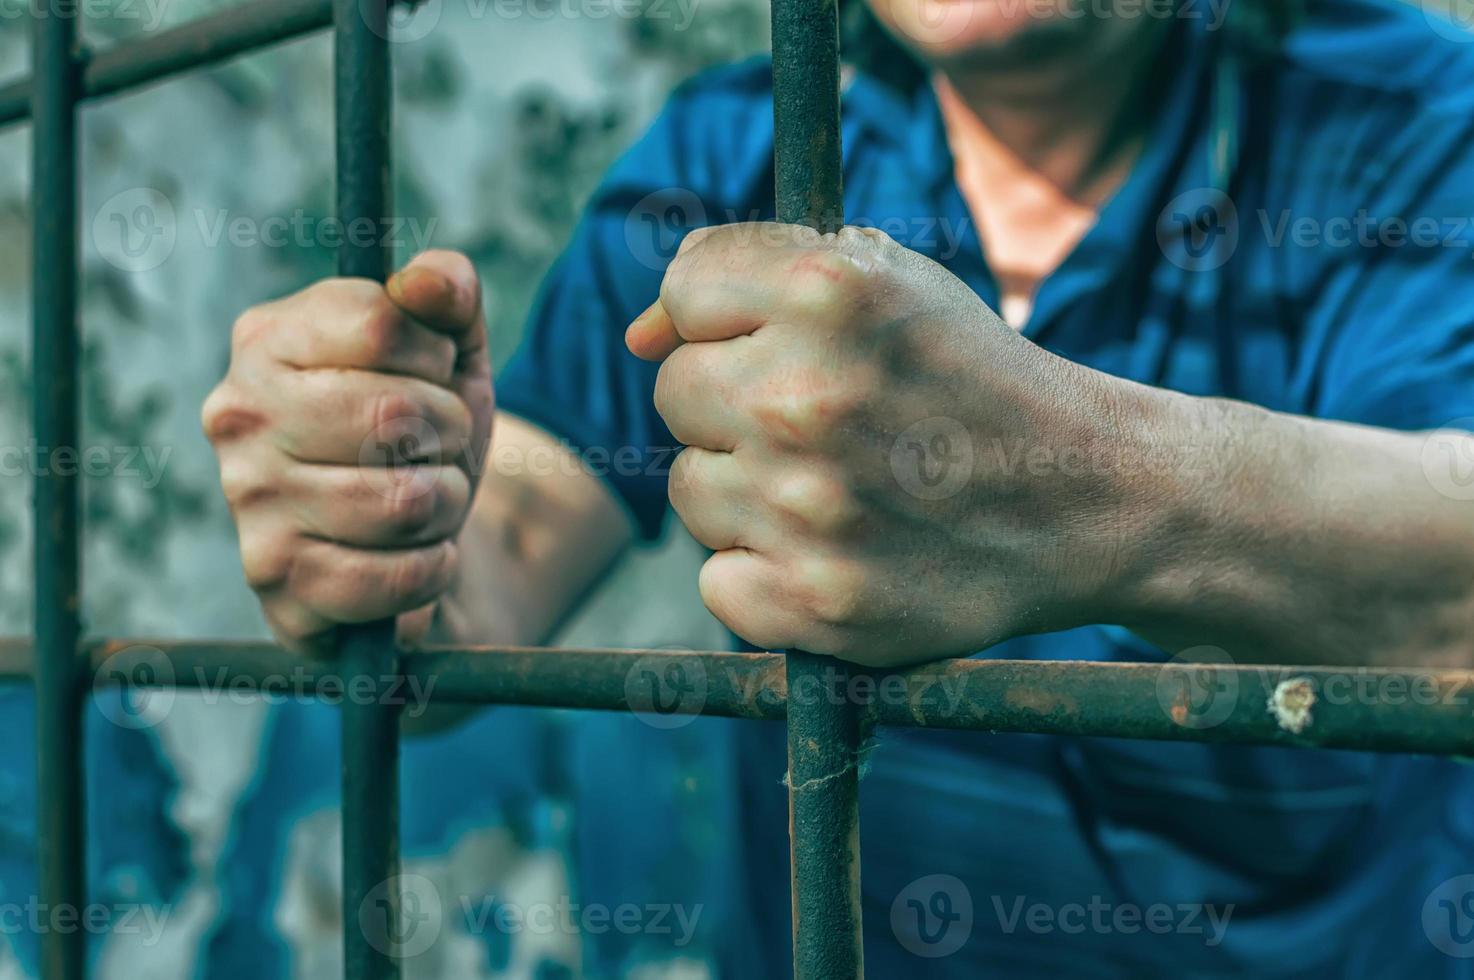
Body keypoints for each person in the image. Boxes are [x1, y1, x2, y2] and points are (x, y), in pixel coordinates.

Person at [202, 0, 1474, 974]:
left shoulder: (1406, 120)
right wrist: (378, 513)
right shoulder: (744, 144)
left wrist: (1078, 485)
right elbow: (513, 533)